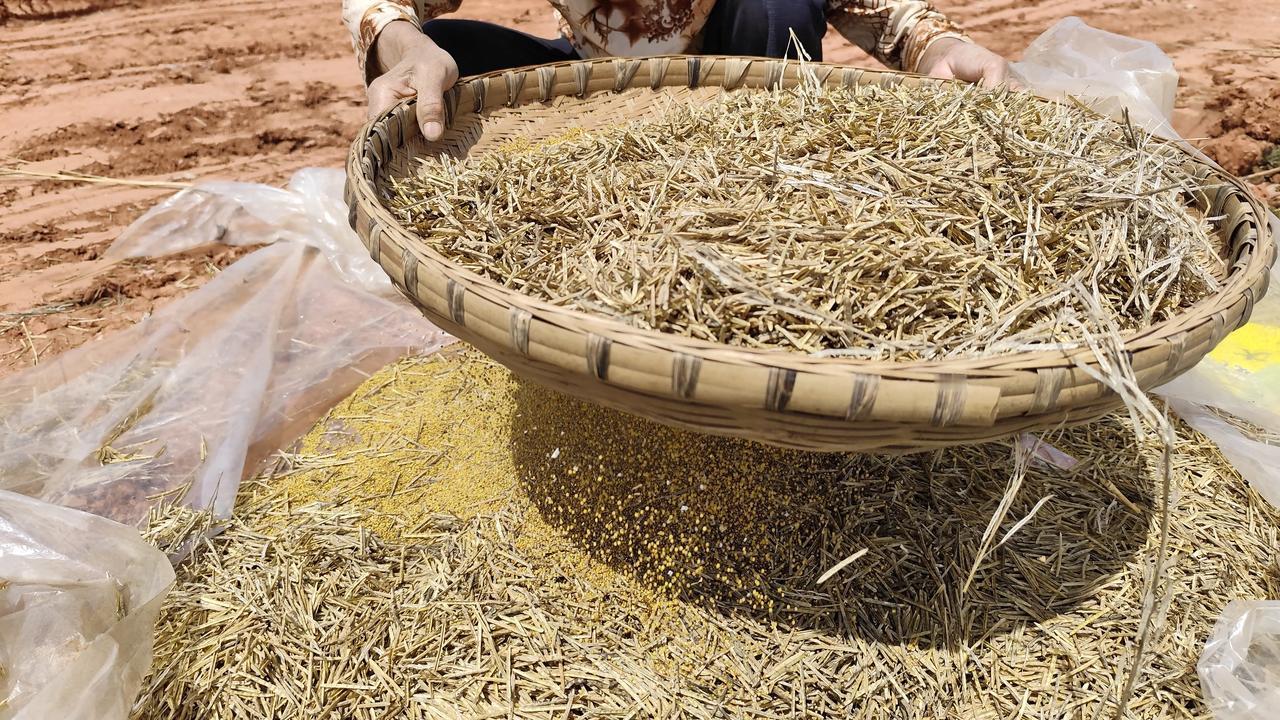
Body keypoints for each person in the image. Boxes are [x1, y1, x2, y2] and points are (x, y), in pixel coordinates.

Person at [342, 0, 1011, 141]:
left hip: (740, 74)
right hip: (599, 91)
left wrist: (934, 48)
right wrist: (408, 44)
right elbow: (383, 5)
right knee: (450, 49)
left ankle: (772, 166)